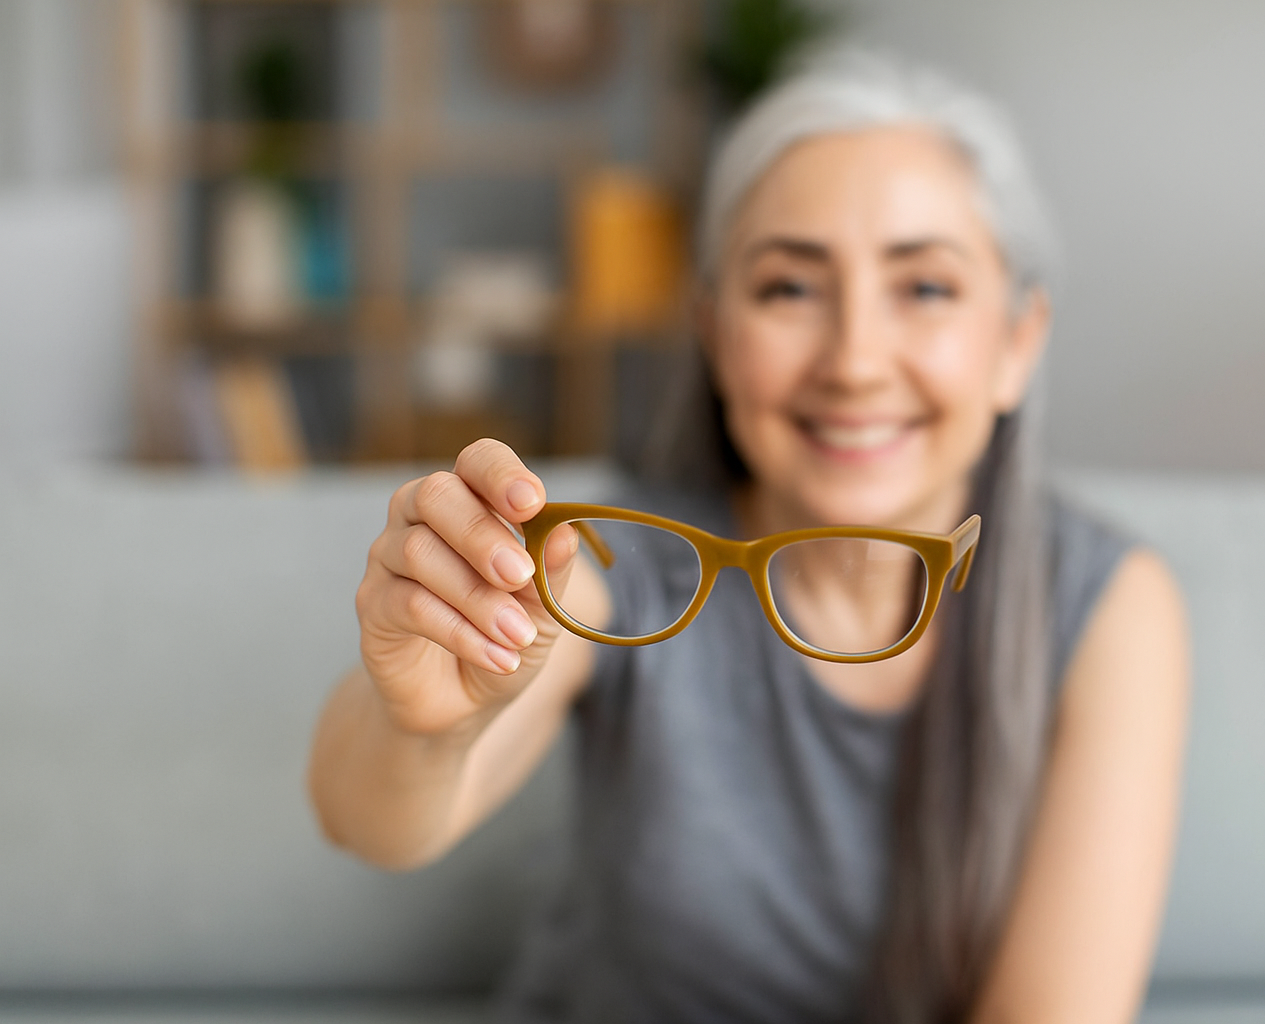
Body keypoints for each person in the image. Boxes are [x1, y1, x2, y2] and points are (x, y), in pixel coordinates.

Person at [308, 51, 1189, 1024]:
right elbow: (368, 822)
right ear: (717, 335)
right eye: (788, 290)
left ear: (1017, 344)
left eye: (925, 289)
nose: (855, 361)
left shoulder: (1105, 605)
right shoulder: (617, 567)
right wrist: (428, 724)